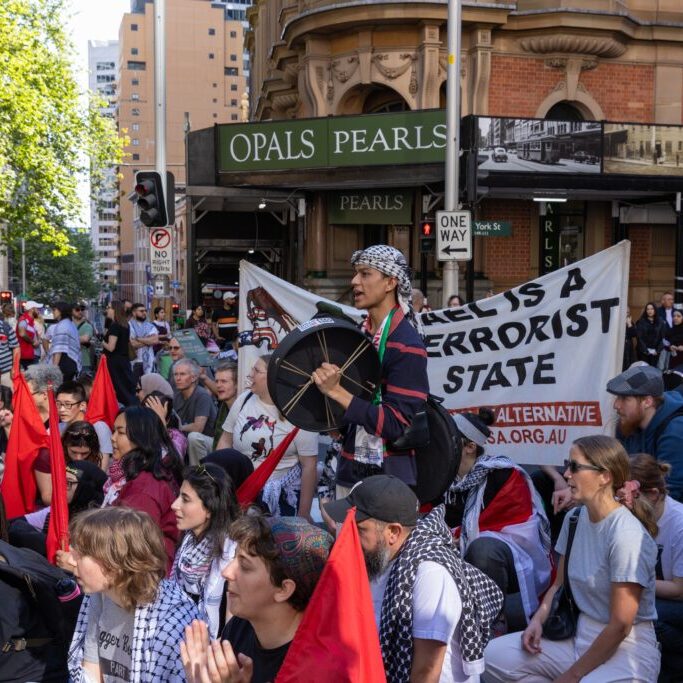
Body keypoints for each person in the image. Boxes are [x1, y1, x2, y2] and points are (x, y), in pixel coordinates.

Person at [484, 435, 661, 683]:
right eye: (568, 465)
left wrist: (572, 675)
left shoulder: (626, 535)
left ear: (605, 476)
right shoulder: (575, 518)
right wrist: (538, 620)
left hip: (626, 648)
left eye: (575, 467)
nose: (566, 474)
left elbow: (620, 625)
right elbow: (558, 584)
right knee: (492, 658)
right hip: (578, 633)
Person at [323, 475, 504, 682]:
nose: (349, 535)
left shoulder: (430, 574)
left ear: (392, 532)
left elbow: (426, 671)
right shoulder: (378, 555)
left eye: (359, 529)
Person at [311, 245, 429, 495]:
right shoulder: (358, 336)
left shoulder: (407, 344)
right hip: (348, 472)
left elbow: (396, 424)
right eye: (356, 274)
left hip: (389, 482)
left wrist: (337, 392)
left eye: (365, 274)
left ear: (390, 282)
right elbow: (354, 411)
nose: (354, 281)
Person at [180, 514, 333, 683]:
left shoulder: (316, 670)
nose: (227, 572)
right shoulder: (241, 626)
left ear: (283, 589)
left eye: (245, 566)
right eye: (234, 558)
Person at [445, 409, 552, 631]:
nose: (440, 445)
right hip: (458, 545)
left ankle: (492, 622)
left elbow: (514, 526)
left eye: (448, 439)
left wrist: (456, 537)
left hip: (512, 553)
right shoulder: (441, 477)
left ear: (470, 447)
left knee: (482, 548)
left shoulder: (504, 474)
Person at [66, 507, 199, 682]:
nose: (70, 561)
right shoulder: (99, 595)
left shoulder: (172, 624)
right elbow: (91, 672)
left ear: (115, 563)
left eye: (80, 555)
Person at [217, 354, 319, 519]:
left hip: (279, 499)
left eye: (256, 371)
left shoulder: (300, 413)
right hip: (239, 491)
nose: (250, 375)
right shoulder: (244, 399)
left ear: (273, 377)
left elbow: (309, 466)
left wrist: (304, 513)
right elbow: (225, 439)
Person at [629, 453, 683, 682]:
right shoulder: (633, 516)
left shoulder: (678, 523)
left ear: (652, 494)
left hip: (675, 600)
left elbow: (679, 590)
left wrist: (631, 577)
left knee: (640, 615)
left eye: (630, 495)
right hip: (654, 593)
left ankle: (673, 670)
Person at [171, 463, 240, 638]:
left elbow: (231, 627)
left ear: (210, 508)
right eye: (179, 496)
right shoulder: (187, 541)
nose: (174, 505)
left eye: (185, 499)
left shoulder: (232, 554)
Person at [110, 406, 183, 569]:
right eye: (114, 431)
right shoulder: (142, 474)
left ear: (140, 438)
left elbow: (132, 544)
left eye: (120, 433)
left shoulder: (145, 487)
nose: (113, 438)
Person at [607, 364, 683, 501]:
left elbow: (670, 493)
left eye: (624, 398)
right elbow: (620, 472)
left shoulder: (675, 430)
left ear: (647, 401)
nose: (616, 405)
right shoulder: (627, 423)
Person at [187, 362, 238, 466]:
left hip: (236, 455)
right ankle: (199, 476)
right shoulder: (225, 401)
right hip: (217, 445)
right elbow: (219, 390)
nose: (219, 385)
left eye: (224, 381)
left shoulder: (243, 407)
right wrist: (204, 377)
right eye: (217, 381)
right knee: (194, 437)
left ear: (237, 384)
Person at [56, 381, 113, 469]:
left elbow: (102, 469)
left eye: (68, 404)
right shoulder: (57, 429)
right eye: (58, 404)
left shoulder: (99, 427)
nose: (61, 409)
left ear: (82, 405)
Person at [101, 300, 138, 407]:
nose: (107, 310)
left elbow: (111, 347)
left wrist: (101, 341)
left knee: (118, 389)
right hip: (123, 361)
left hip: (114, 362)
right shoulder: (125, 325)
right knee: (125, 387)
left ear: (114, 310)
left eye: (109, 307)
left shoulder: (115, 326)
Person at [173, 358, 217, 440]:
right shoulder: (177, 396)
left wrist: (178, 427)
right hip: (186, 440)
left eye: (182, 374)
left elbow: (198, 428)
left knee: (194, 437)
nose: (178, 378)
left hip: (208, 442)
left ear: (193, 378)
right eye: (176, 374)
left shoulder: (202, 395)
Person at [142, 389, 188, 461]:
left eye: (154, 417)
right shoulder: (137, 433)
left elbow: (173, 461)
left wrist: (161, 424)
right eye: (145, 415)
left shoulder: (177, 436)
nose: (148, 421)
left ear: (167, 420)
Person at [47, 302, 82, 382]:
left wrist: (54, 370)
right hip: (71, 363)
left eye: (54, 310)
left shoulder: (62, 326)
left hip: (64, 364)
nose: (53, 312)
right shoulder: (70, 323)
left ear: (61, 311)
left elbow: (58, 350)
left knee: (61, 391)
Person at [129, 303, 159, 378]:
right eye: (141, 311)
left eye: (145, 311)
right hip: (135, 362)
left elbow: (155, 340)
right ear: (134, 312)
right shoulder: (129, 325)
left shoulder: (150, 326)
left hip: (149, 361)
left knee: (149, 387)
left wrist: (138, 338)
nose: (144, 313)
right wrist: (148, 341)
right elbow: (132, 344)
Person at [635, 301, 667, 366]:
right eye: (648, 309)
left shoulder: (660, 321)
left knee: (653, 370)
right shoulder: (641, 321)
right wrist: (645, 350)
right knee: (644, 369)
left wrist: (658, 350)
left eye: (652, 309)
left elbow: (663, 337)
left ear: (655, 310)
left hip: (655, 352)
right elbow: (639, 337)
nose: (650, 311)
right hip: (643, 352)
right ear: (645, 311)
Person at [16, 300, 42, 370]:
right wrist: (33, 342)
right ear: (32, 309)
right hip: (29, 355)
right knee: (33, 379)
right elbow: (22, 333)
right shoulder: (24, 320)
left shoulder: (29, 321)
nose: (39, 311)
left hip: (31, 355)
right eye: (37, 309)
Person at [0, 304, 20, 390]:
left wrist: (15, 368)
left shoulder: (5, 326)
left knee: (8, 400)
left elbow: (16, 347)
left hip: (5, 372)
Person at [72, 304, 95, 377]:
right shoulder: (68, 325)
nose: (80, 311)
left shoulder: (87, 326)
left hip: (84, 362)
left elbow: (85, 339)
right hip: (70, 362)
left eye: (82, 310)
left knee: (84, 386)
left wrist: (67, 339)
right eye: (77, 309)